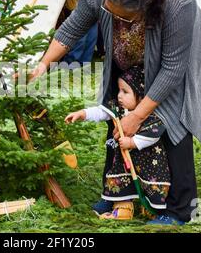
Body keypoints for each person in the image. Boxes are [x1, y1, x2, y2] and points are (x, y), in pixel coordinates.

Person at [28, 0, 201, 225]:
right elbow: (74, 26)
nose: (112, 16)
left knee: (173, 118)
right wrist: (43, 64)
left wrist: (139, 116)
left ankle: (179, 208)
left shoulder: (178, 4)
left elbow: (172, 69)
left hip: (170, 56)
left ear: (147, 2)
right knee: (118, 109)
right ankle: (117, 192)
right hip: (125, 50)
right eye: (109, 10)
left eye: (122, 14)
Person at [65, 65, 171, 221]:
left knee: (149, 186)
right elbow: (102, 111)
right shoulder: (118, 108)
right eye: (119, 90)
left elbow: (154, 134)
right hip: (124, 160)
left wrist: (132, 142)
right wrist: (82, 114)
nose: (119, 96)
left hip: (149, 163)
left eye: (125, 92)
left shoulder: (150, 114)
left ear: (141, 95)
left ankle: (151, 209)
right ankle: (122, 207)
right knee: (122, 180)